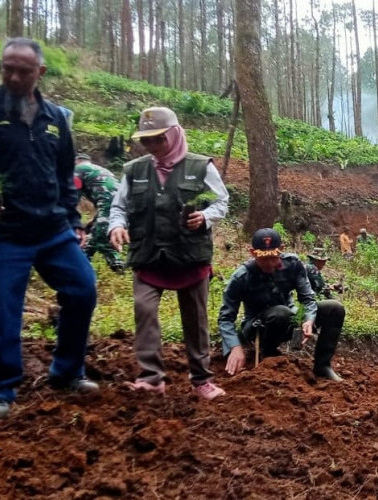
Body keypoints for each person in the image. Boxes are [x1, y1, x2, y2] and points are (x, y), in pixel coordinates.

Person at [0, 38, 98, 421]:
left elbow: (63, 174)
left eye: (23, 70)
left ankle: (67, 371)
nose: (13, 75)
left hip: (52, 229)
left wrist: (72, 221)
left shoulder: (56, 118)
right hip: (3, 233)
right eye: (7, 67)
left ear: (39, 72)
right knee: (1, 312)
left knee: (82, 289)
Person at [109, 106, 228, 400]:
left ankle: (201, 379)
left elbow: (221, 202)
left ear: (173, 135)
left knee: (195, 321)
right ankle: (151, 378)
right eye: (146, 141)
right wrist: (117, 226)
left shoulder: (200, 167)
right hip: (149, 256)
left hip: (189, 257)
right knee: (144, 311)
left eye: (158, 139)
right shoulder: (134, 171)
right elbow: (118, 207)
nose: (152, 146)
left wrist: (205, 216)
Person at [219, 228, 345, 382]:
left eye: (274, 257)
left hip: (291, 317)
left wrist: (308, 319)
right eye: (263, 259)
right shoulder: (241, 277)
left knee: (334, 308)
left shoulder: (293, 264)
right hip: (258, 325)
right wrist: (235, 347)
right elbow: (225, 318)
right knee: (281, 312)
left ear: (282, 250)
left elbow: (307, 299)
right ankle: (269, 355)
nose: (270, 263)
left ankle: (322, 366)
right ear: (252, 253)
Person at [74, 153, 125, 273]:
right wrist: (93, 221)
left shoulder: (77, 170)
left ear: (75, 161)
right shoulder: (99, 169)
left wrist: (75, 222)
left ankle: (79, 267)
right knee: (95, 232)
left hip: (109, 204)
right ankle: (117, 267)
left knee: (99, 238)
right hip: (119, 204)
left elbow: (72, 198)